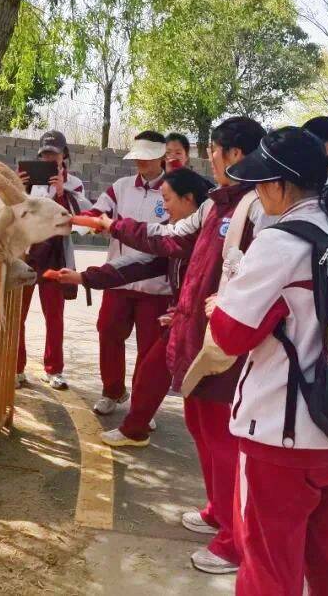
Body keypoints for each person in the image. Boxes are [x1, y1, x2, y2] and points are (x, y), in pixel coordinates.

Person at [96, 116, 268, 576]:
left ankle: (234, 540)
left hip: (225, 343)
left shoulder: (257, 208)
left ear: (233, 154)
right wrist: (113, 225)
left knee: (223, 438)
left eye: (213, 150)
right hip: (197, 337)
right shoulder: (216, 205)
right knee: (200, 425)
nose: (208, 158)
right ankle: (218, 510)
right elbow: (169, 239)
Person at [206, 126, 328, 596]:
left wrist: (222, 302)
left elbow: (231, 334)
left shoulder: (280, 243)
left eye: (259, 184)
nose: (256, 194)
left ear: (278, 185)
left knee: (269, 568)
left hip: (281, 432)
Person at [54, 168, 215, 447]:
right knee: (154, 370)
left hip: (206, 322)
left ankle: (141, 428)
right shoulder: (178, 225)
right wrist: (85, 277)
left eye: (167, 199)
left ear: (189, 199)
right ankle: (134, 426)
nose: (163, 206)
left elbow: (151, 240)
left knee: (200, 396)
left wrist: (114, 226)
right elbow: (142, 263)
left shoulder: (204, 232)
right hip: (185, 317)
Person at [80, 131, 173, 415]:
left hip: (156, 286)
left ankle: (143, 408)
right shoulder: (120, 187)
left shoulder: (173, 191)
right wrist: (87, 223)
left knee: (150, 348)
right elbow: (98, 213)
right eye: (138, 157)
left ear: (162, 156)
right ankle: (113, 391)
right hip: (118, 280)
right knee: (108, 332)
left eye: (147, 157)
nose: (141, 162)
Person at [15, 131, 90, 390]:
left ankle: (54, 370)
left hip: (55, 256)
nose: (49, 158)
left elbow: (80, 220)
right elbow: (13, 213)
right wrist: (18, 188)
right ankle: (16, 368)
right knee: (18, 313)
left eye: (54, 154)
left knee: (54, 316)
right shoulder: (28, 181)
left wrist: (60, 193)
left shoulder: (74, 184)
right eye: (45, 154)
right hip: (26, 253)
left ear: (64, 155)